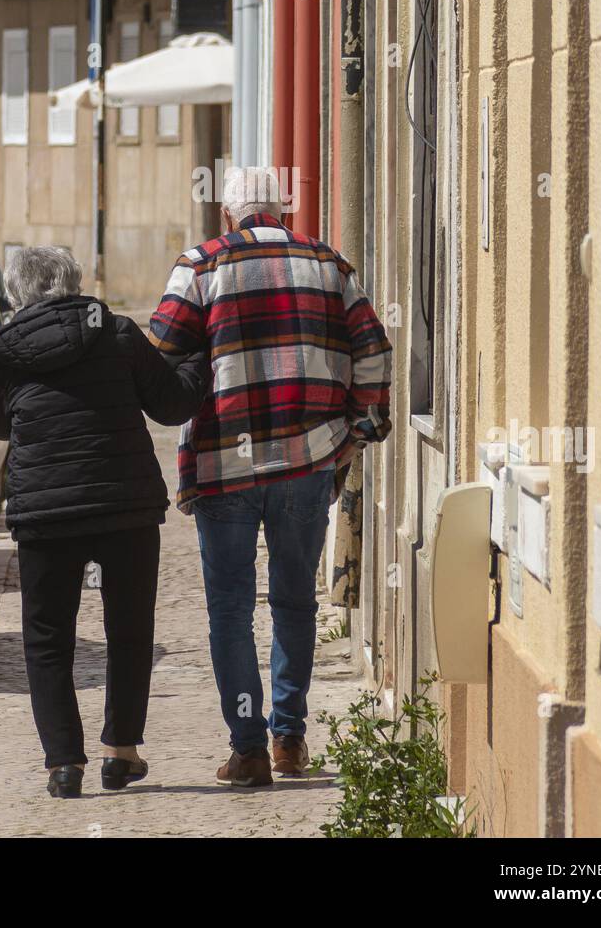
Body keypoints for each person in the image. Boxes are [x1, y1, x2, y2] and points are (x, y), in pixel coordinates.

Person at [149, 166, 392, 787]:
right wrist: (357, 433)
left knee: (229, 609)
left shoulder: (201, 266)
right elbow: (374, 351)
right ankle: (290, 738)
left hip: (225, 463)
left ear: (229, 216)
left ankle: (248, 747)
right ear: (283, 211)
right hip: (307, 461)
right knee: (295, 601)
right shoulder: (329, 265)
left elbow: (159, 356)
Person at [0, 246, 207, 798]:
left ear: (17, 294)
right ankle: (120, 753)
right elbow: (173, 405)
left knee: (48, 638)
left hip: (45, 511)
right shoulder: (118, 333)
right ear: (74, 282)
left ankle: (63, 764)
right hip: (123, 506)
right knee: (129, 630)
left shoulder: (3, 350)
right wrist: (199, 355)